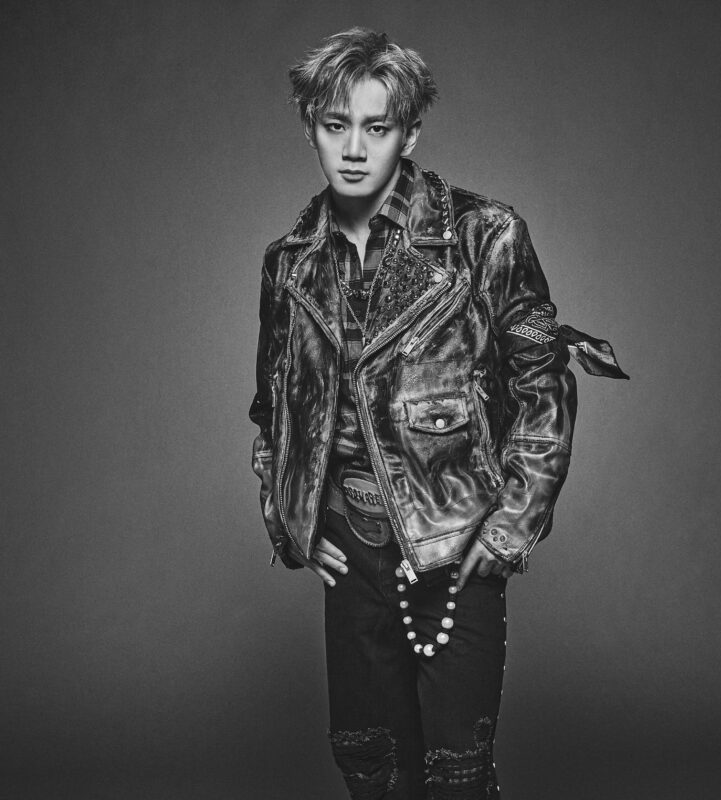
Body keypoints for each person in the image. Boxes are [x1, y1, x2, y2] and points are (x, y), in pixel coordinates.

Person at [249, 27, 627, 799]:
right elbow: (273, 409)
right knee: (371, 765)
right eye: (335, 125)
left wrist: (510, 527)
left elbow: (544, 387)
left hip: (454, 546)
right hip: (350, 545)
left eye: (376, 127)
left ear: (410, 133)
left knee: (457, 774)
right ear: (312, 128)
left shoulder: (484, 236)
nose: (355, 149)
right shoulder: (289, 263)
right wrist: (289, 518)